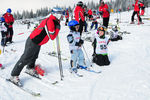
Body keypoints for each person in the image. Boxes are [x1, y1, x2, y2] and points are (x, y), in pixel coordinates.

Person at [9, 12, 62, 86]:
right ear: (57, 15)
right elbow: (52, 36)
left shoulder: (54, 21)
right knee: (25, 58)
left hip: (38, 42)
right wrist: (57, 28)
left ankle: (30, 68)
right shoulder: (50, 21)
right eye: (60, 14)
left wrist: (57, 26)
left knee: (34, 56)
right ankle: (14, 75)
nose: (62, 16)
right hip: (33, 40)